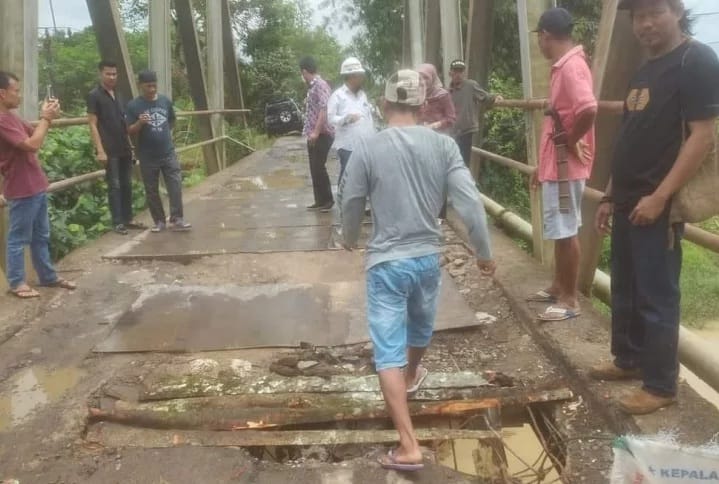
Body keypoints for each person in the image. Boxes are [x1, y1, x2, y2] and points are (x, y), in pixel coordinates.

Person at [339, 69, 495, 471]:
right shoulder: (443, 147)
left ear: (384, 103)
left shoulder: (368, 149)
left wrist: (349, 237)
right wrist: (483, 252)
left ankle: (408, 445)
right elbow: (470, 203)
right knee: (422, 326)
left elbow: (351, 200)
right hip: (427, 258)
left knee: (387, 346)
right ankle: (411, 375)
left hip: (387, 263)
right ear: (423, 105)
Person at [591, 0, 719, 415]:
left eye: (654, 13)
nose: (645, 24)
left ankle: (661, 384)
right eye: (638, 17)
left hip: (656, 202)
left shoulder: (695, 60)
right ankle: (628, 360)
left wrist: (661, 196)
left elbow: (701, 137)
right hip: (628, 199)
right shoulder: (645, 69)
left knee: (657, 294)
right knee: (626, 288)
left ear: (677, 11)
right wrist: (610, 194)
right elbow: (630, 134)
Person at [526, 7, 598, 322]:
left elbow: (588, 108)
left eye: (539, 39)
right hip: (557, 166)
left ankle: (570, 299)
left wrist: (570, 141)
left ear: (545, 36)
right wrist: (541, 168)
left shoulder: (571, 67)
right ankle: (558, 286)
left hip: (565, 166)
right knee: (560, 229)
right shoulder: (565, 66)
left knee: (567, 231)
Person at [0, 71, 76, 298]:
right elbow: (32, 144)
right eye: (16, 91)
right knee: (18, 238)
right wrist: (46, 118)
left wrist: (47, 116)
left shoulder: (12, 116)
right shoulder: (2, 120)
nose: (19, 95)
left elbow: (36, 134)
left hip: (35, 185)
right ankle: (17, 283)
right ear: (2, 93)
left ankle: (47, 276)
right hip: (22, 188)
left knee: (41, 235)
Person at [126, 70, 191, 233]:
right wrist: (140, 123)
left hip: (168, 152)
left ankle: (177, 218)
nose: (152, 89)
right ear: (140, 86)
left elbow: (171, 120)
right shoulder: (134, 106)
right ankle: (159, 221)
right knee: (151, 189)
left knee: (175, 185)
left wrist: (163, 133)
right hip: (147, 155)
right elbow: (129, 130)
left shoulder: (165, 101)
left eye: (154, 85)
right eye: (148, 86)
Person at [87, 60, 144, 235]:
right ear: (100, 74)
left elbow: (123, 122)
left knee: (127, 184)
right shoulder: (94, 95)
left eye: (114, 74)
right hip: (109, 147)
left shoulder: (118, 95)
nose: (112, 77)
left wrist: (130, 145)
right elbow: (92, 124)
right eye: (108, 74)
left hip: (123, 146)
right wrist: (100, 149)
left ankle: (128, 219)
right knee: (115, 185)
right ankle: (117, 222)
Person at [417, 63, 457, 221]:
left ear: (433, 77)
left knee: (438, 178)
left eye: (426, 77)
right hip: (420, 140)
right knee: (421, 177)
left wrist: (435, 125)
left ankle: (440, 217)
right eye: (420, 77)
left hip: (438, 141)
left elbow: (451, 118)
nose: (423, 81)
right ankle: (424, 214)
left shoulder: (442, 95)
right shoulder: (415, 94)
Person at [327, 57, 375, 184]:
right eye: (360, 75)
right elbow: (330, 118)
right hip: (347, 146)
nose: (362, 78)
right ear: (352, 76)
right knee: (347, 177)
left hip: (365, 145)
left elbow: (367, 117)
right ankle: (343, 202)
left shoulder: (362, 95)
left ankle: (358, 201)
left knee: (362, 177)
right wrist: (346, 119)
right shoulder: (337, 96)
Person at [300, 56, 335, 212]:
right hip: (313, 133)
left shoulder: (320, 85)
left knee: (318, 167)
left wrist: (316, 131)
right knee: (314, 168)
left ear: (305, 71)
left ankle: (327, 200)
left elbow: (324, 109)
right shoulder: (313, 87)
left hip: (322, 133)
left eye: (302, 74)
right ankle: (319, 200)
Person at [448, 59, 497, 167]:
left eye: (461, 71)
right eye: (455, 71)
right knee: (453, 161)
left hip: (466, 130)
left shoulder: (471, 85)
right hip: (453, 132)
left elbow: (485, 97)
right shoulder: (448, 91)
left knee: (463, 162)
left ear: (464, 73)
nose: (458, 74)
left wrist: (495, 97)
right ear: (450, 73)